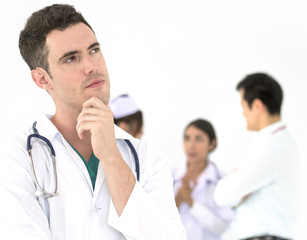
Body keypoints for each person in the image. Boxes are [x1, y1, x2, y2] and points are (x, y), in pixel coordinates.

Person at [0, 4, 185, 239]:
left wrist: (111, 156)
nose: (92, 66)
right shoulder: (17, 159)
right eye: (71, 59)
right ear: (42, 79)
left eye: (94, 50)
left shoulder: (147, 158)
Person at [213, 73, 300, 240]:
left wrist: (235, 178)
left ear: (257, 106)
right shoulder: (280, 142)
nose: (243, 114)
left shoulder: (272, 146)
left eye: (243, 106)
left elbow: (221, 195)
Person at [173, 119, 235, 240]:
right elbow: (158, 222)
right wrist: (178, 201)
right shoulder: (170, 177)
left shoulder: (222, 180)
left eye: (199, 139)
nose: (191, 145)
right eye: (187, 138)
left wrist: (191, 203)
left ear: (212, 144)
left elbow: (221, 227)